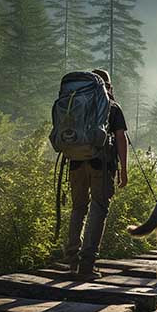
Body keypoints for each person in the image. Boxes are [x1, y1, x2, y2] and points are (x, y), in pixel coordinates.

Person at [65, 69, 128, 278]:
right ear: (107, 86)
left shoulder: (74, 103)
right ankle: (87, 265)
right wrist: (123, 169)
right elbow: (120, 138)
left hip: (75, 162)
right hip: (101, 163)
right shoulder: (112, 107)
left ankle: (72, 262)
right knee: (98, 208)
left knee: (78, 209)